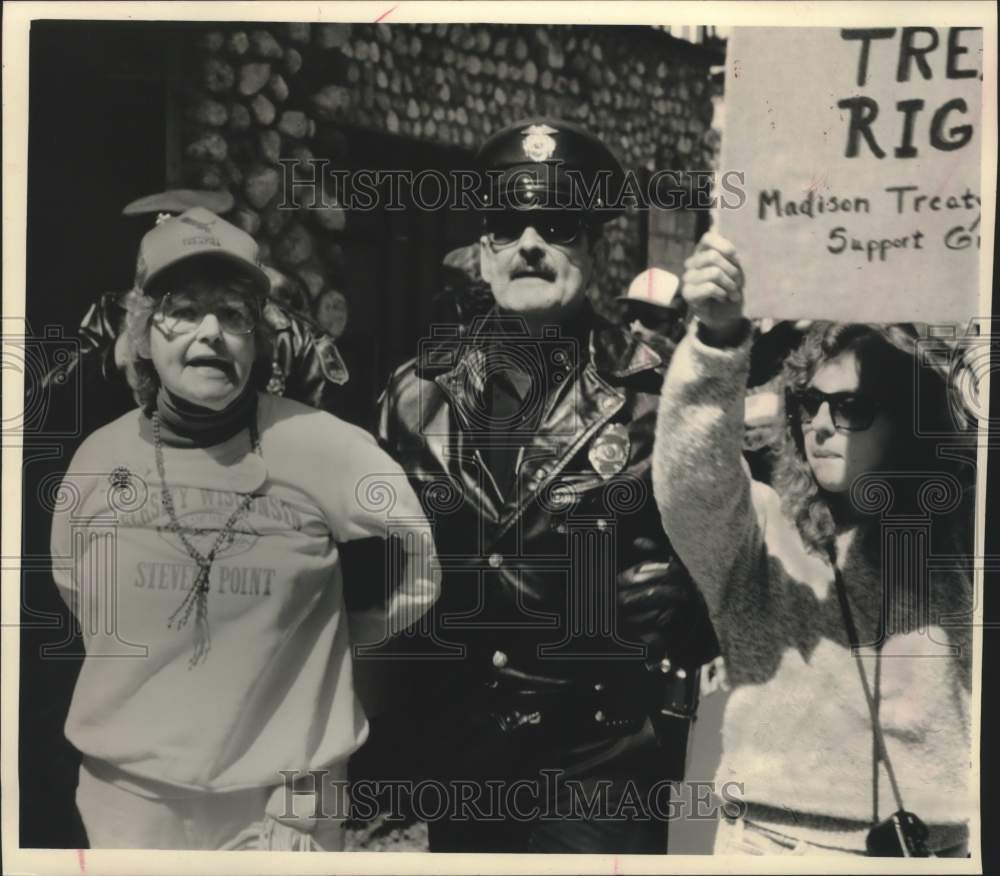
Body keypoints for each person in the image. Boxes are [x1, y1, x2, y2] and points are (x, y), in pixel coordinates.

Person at [372, 117, 718, 853]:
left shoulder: (658, 390)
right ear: (485, 249)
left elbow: (736, 561)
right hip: (461, 750)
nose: (529, 242)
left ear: (593, 245)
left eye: (556, 223)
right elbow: (373, 557)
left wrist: (687, 599)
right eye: (507, 224)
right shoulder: (414, 395)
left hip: (602, 756)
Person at [49, 207, 440, 850]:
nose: (211, 334)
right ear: (144, 332)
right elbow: (80, 597)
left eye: (233, 314)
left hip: (283, 813)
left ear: (258, 338)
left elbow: (405, 592)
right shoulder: (98, 459)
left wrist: (311, 765)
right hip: (128, 805)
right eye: (183, 310)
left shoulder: (333, 452)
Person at [653, 233, 974, 856]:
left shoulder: (961, 537)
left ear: (911, 419)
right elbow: (688, 479)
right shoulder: (761, 532)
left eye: (851, 406)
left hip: (933, 847)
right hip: (772, 841)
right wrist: (718, 340)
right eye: (808, 404)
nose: (821, 425)